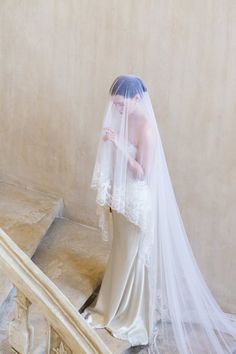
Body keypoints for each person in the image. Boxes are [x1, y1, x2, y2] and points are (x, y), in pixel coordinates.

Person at [81, 75, 236, 353]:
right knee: (121, 255)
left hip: (137, 205)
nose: (117, 109)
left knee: (132, 258)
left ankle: (129, 316)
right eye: (114, 105)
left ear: (137, 99)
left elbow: (141, 173)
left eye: (121, 104)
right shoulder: (123, 120)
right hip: (122, 200)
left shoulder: (147, 130)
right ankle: (112, 306)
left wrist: (116, 145)